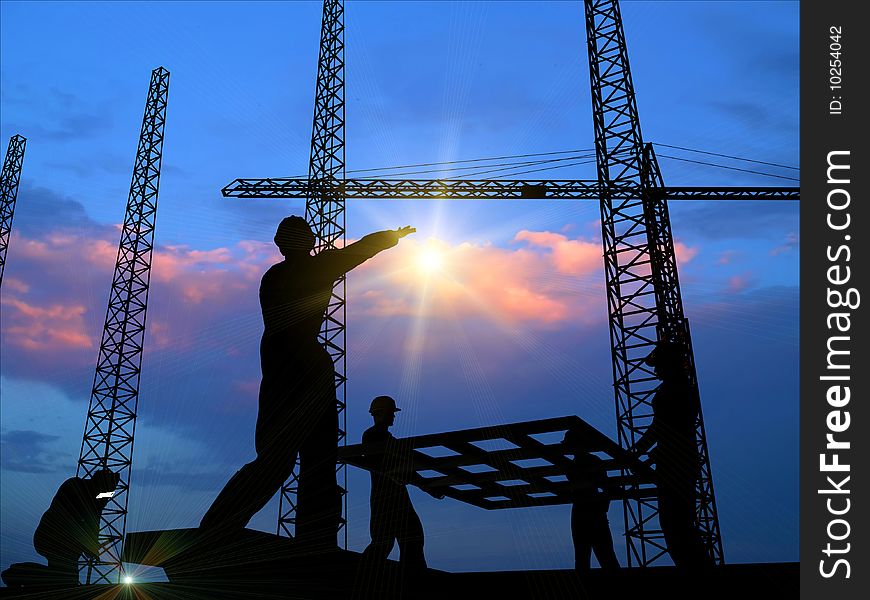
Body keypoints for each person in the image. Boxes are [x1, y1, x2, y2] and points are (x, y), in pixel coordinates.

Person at [200, 217, 415, 551]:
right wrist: (391, 237)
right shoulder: (316, 268)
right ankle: (310, 538)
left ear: (281, 245)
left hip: (277, 363)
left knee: (283, 458)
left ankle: (220, 526)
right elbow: (360, 251)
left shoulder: (273, 276)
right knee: (310, 460)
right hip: (307, 366)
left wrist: (386, 238)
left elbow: (358, 252)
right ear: (308, 242)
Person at [632, 340, 713, 568]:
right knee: (677, 522)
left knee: (676, 522)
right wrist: (646, 450)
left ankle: (697, 570)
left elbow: (664, 426)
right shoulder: (679, 388)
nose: (656, 370)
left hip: (676, 461)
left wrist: (641, 450)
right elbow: (665, 427)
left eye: (660, 365)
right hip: (675, 458)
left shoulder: (676, 390)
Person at [0, 469, 120, 588]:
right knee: (66, 580)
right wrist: (90, 546)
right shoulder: (77, 486)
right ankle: (16, 574)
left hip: (60, 540)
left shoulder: (88, 490)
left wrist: (91, 545)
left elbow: (93, 517)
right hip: (54, 537)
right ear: (100, 483)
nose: (107, 494)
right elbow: (89, 518)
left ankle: (17, 574)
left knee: (64, 579)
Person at [360, 396, 428, 572]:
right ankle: (361, 578)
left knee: (412, 538)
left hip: (397, 496)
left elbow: (406, 467)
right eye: (391, 413)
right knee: (384, 542)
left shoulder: (389, 439)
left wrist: (427, 486)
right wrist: (425, 485)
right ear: (380, 413)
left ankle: (412, 579)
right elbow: (387, 465)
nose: (393, 416)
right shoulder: (372, 436)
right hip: (385, 498)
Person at [562, 426, 620, 572]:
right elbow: (607, 488)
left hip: (585, 510)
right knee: (601, 556)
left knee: (590, 556)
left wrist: (602, 507)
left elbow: (606, 488)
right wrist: (603, 506)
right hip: (589, 510)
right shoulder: (579, 463)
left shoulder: (576, 464)